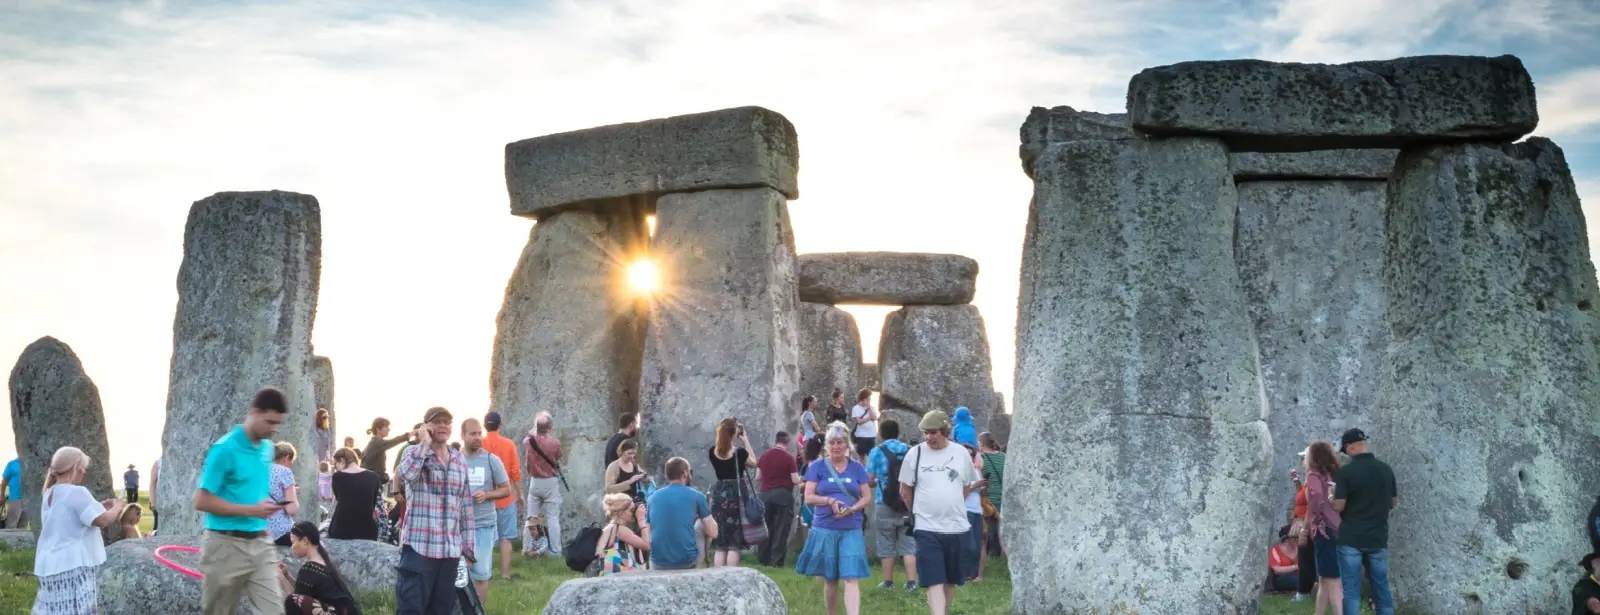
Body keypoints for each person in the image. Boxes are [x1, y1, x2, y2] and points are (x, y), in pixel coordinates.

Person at [193, 386, 289, 615]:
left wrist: (264, 511)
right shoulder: (225, 449)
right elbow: (200, 501)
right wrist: (250, 511)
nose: (274, 429)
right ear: (254, 412)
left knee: (274, 611)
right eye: (270, 422)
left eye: (277, 423)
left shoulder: (267, 449)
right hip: (225, 545)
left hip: (261, 544)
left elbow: (252, 492)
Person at [394, 407, 476, 615]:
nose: (443, 426)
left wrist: (467, 548)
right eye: (437, 422)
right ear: (426, 426)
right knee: (410, 609)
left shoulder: (459, 460)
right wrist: (424, 444)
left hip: (449, 551)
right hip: (419, 549)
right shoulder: (413, 453)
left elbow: (465, 506)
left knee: (441, 611)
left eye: (447, 422)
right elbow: (407, 475)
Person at [899, 410, 980, 615]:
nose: (929, 437)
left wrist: (950, 502)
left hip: (956, 527)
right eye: (926, 432)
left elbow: (967, 485)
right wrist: (917, 512)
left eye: (933, 432)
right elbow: (904, 490)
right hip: (926, 528)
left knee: (950, 581)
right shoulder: (914, 454)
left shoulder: (961, 453)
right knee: (934, 580)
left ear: (945, 431)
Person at [32, 447, 121, 614]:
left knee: (54, 609)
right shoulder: (77, 492)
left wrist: (98, 507)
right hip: (72, 564)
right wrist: (117, 507)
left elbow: (69, 517)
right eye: (83, 468)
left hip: (50, 562)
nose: (84, 473)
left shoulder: (50, 492)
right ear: (76, 468)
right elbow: (102, 520)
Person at [795, 422, 872, 615]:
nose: (836, 447)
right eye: (832, 443)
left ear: (847, 445)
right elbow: (808, 497)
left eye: (839, 442)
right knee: (830, 578)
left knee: (851, 577)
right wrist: (829, 500)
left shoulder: (857, 468)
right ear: (826, 445)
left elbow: (867, 496)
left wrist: (853, 508)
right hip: (825, 528)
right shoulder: (817, 467)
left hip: (851, 528)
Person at [1332, 428, 1397, 615]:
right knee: (1381, 589)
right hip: (1377, 538)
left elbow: (1338, 506)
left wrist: (1331, 498)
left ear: (1350, 447)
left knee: (1351, 592)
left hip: (1351, 538)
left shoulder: (1347, 472)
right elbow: (1392, 502)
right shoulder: (1386, 469)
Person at [459, 418, 511, 602]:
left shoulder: (491, 460)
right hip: (457, 526)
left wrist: (487, 495)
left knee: (480, 575)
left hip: (483, 525)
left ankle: (480, 610)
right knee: (455, 576)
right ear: (463, 435)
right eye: (472, 434)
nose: (477, 437)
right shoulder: (454, 459)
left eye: (479, 433)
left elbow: (506, 489)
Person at [866, 419, 916, 591]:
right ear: (898, 433)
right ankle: (911, 583)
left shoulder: (876, 452)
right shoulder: (909, 450)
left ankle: (888, 582)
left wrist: (878, 481)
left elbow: (870, 479)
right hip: (906, 503)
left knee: (886, 542)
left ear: (880, 433)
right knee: (908, 543)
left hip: (884, 501)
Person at [646, 457, 716, 570]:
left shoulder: (652, 498)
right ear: (685, 473)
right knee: (702, 525)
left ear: (666, 475)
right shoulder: (697, 496)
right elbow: (714, 533)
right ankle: (700, 566)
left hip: (657, 563)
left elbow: (648, 531)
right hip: (687, 562)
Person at [279, 521, 361, 615]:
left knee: (290, 601)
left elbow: (297, 602)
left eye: (293, 542)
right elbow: (301, 592)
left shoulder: (309, 569)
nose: (292, 547)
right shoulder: (324, 562)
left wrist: (281, 578)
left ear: (305, 541)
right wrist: (286, 575)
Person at [708, 417, 758, 567]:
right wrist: (746, 440)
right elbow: (754, 463)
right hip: (736, 496)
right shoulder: (740, 453)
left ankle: (718, 575)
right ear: (735, 433)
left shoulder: (713, 451)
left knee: (721, 541)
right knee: (734, 543)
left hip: (720, 496)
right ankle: (731, 575)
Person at [480, 411, 522, 582]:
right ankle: (505, 574)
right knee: (505, 538)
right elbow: (515, 472)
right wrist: (520, 494)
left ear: (484, 426)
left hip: (484, 499)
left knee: (484, 537)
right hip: (505, 498)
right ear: (500, 426)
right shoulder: (509, 444)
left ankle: (484, 572)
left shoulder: (480, 443)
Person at [1305, 440, 1344, 615]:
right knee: (1324, 579)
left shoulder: (1313, 475)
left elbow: (1316, 500)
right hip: (1340, 528)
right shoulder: (1337, 474)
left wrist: (1315, 523)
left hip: (1325, 530)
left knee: (1333, 581)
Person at [755, 430, 802, 567]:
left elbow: (758, 477)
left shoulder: (764, 456)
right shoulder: (788, 458)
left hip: (764, 495)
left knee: (765, 528)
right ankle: (776, 561)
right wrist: (801, 479)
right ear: (787, 443)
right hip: (783, 495)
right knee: (781, 529)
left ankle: (763, 559)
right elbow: (795, 480)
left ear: (776, 441)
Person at [522, 412, 563, 558]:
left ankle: (526, 549)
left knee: (531, 517)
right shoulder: (555, 443)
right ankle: (556, 551)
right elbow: (558, 457)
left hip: (535, 480)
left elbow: (528, 440)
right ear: (550, 426)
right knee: (552, 518)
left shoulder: (528, 441)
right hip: (550, 481)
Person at [328, 448, 381, 541]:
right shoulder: (374, 477)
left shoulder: (337, 477)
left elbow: (339, 499)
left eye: (335, 464)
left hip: (341, 529)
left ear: (341, 460)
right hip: (366, 530)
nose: (336, 468)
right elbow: (372, 504)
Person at [594, 493, 651, 576]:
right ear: (621, 512)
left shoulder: (610, 528)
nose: (634, 513)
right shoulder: (619, 529)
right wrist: (641, 520)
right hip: (615, 580)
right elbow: (647, 546)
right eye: (631, 510)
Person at [978, 432, 1006, 558]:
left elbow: (978, 477)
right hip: (1002, 496)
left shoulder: (981, 457)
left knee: (989, 528)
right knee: (1001, 529)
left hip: (988, 497)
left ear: (982, 443)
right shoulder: (1003, 457)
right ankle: (1002, 555)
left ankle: (991, 554)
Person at [960, 445, 986, 582]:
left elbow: (982, 491)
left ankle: (974, 573)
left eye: (972, 454)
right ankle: (964, 573)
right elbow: (957, 491)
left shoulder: (976, 470)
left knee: (977, 544)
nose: (969, 457)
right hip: (965, 508)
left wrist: (985, 485)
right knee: (968, 544)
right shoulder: (958, 470)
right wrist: (974, 486)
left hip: (977, 509)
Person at [268, 443, 301, 546]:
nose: (290, 465)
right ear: (286, 458)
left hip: (260, 530)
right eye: (291, 462)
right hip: (279, 532)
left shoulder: (260, 468)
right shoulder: (285, 471)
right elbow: (291, 509)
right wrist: (293, 493)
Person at [360, 418, 410, 483]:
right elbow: (394, 441)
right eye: (386, 427)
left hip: (370, 481)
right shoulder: (376, 443)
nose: (389, 429)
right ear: (378, 429)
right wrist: (408, 435)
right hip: (370, 482)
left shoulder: (374, 443)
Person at [848, 389, 879, 461]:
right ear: (863, 398)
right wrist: (869, 418)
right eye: (868, 399)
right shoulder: (856, 408)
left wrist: (869, 409)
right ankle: (861, 471)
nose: (869, 401)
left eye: (869, 399)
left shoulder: (872, 407)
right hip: (861, 436)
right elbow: (859, 421)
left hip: (871, 435)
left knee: (871, 456)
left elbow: (874, 418)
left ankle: (869, 471)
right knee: (861, 456)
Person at [1269, 525, 1301, 591]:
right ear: (1287, 539)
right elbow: (1277, 570)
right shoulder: (1275, 550)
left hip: (1300, 576)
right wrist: (1296, 566)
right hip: (1283, 578)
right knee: (1288, 578)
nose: (1298, 540)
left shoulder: (1302, 549)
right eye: (1296, 537)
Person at [3, 456, 25, 529]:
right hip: (15, 499)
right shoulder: (12, 464)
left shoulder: (31, 464)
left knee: (23, 527)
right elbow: (4, 481)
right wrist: (1, 495)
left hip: (28, 500)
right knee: (11, 526)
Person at [148, 458, 161, 535]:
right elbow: (152, 483)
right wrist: (153, 502)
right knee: (157, 525)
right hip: (158, 500)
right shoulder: (158, 463)